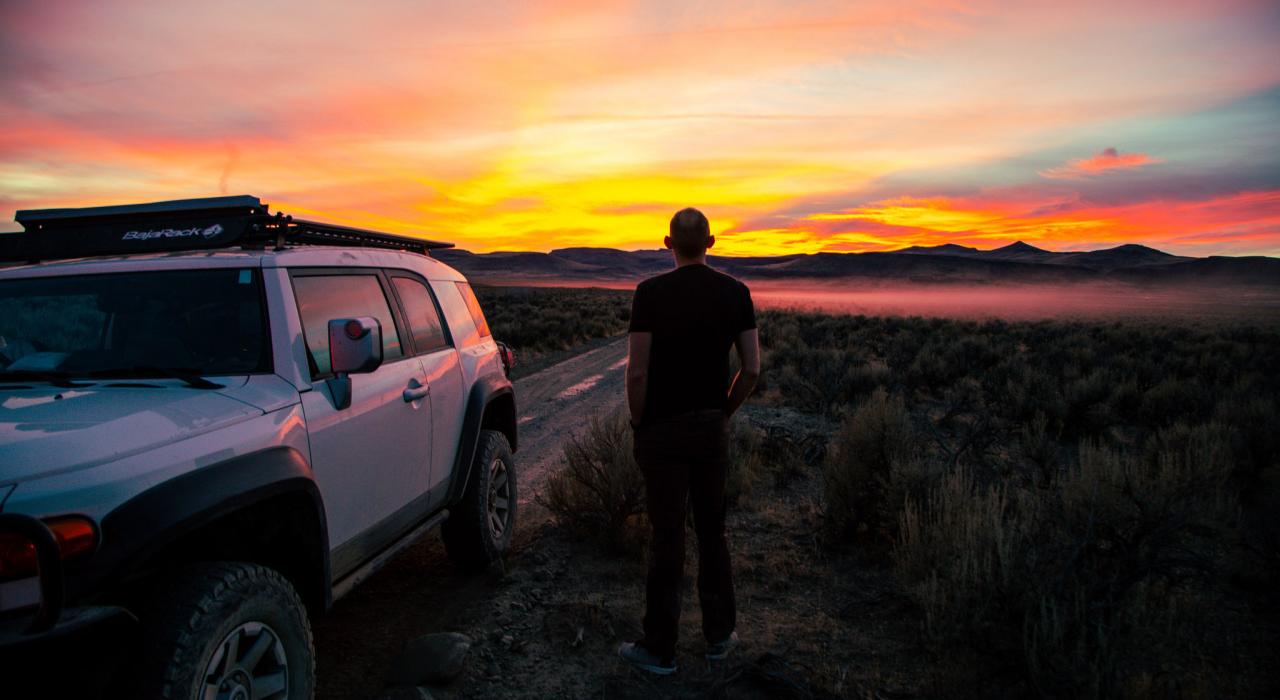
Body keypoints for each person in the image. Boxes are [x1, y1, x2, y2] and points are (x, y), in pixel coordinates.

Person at [617, 207, 761, 675]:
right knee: (712, 532)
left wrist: (640, 423)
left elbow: (637, 370)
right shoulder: (736, 293)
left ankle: (660, 649)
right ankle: (719, 637)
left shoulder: (650, 294)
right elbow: (752, 368)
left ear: (667, 243)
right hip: (709, 429)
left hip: (661, 431)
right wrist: (723, 410)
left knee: (667, 537)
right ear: (712, 242)